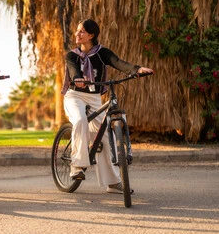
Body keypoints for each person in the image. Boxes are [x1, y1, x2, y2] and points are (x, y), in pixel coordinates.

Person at [61, 19, 153, 194]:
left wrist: (137, 69)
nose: (77, 34)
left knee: (103, 137)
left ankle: (112, 182)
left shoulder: (102, 53)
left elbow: (118, 62)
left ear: (91, 35)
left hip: (94, 96)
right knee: (80, 121)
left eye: (81, 31)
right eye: (77, 31)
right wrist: (77, 78)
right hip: (75, 95)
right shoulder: (72, 55)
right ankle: (77, 167)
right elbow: (73, 69)